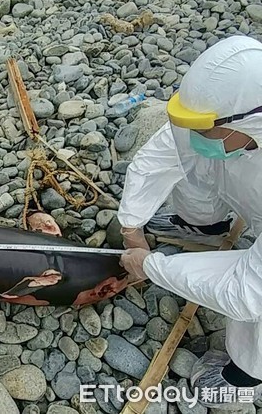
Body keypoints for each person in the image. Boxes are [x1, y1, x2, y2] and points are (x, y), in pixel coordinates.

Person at [118, 35, 262, 410]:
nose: (195, 136)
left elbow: (247, 292)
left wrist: (153, 267)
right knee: (195, 156)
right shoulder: (233, 120)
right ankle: (205, 225)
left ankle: (246, 375)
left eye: (205, 129)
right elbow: (164, 152)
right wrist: (131, 225)